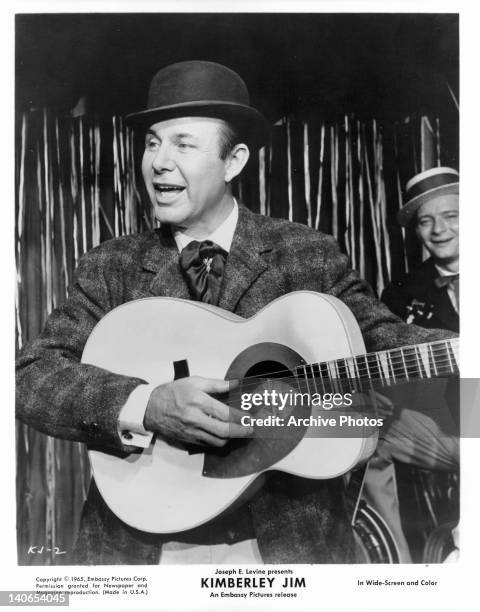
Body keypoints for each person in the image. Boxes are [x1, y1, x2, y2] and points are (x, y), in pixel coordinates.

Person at [15, 61, 454, 565]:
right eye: (153, 142)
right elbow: (30, 378)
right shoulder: (110, 266)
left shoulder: (305, 254)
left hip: (283, 552)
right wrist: (146, 403)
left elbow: (378, 337)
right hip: (142, 552)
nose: (158, 161)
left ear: (234, 161)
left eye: (183, 144)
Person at [364, 167, 459, 562]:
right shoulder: (403, 290)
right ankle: (396, 568)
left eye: (451, 215)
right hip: (446, 426)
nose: (439, 229)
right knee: (360, 432)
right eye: (425, 220)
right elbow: (384, 365)